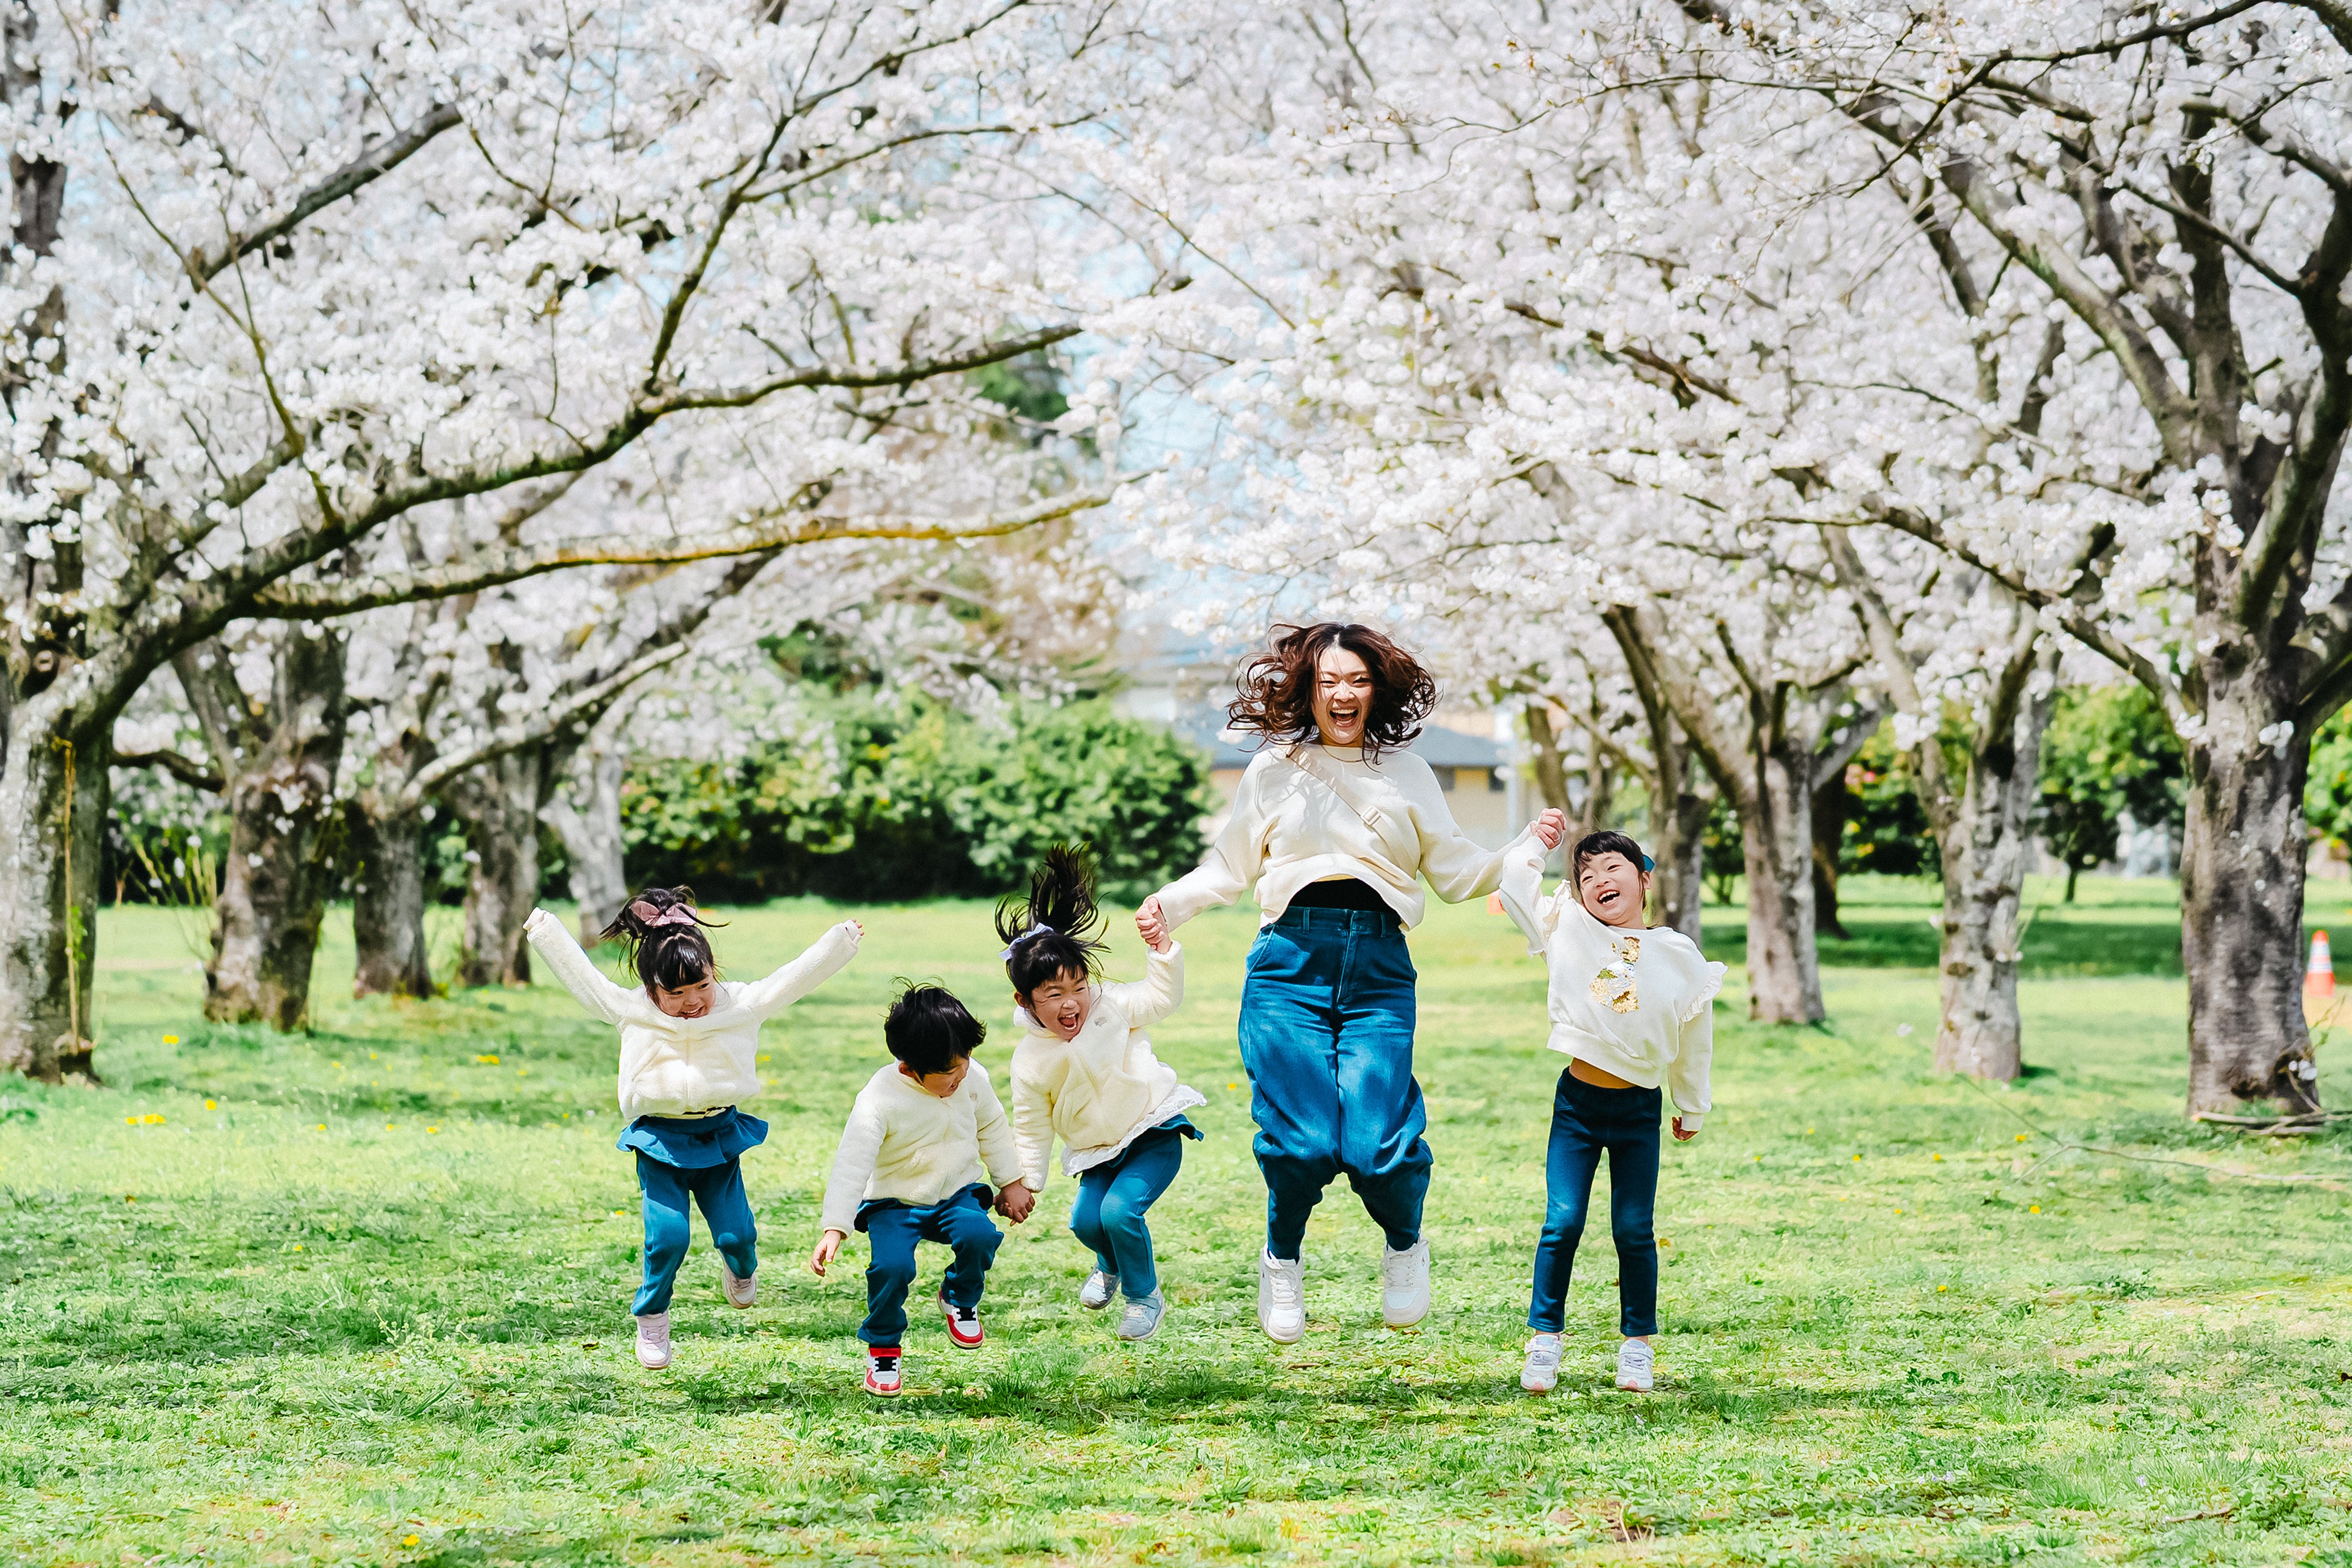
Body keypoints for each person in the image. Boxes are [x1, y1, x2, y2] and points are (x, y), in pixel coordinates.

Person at [1137, 622, 1566, 1342]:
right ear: (1308, 688)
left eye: (1358, 681)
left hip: (1379, 968)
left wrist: (1522, 849)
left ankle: (1405, 1242)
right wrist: (1168, 905)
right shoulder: (1274, 767)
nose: (1344, 693)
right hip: (1288, 967)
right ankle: (1282, 1256)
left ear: (1377, 690)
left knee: (1377, 1146)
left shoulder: (1409, 771)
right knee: (1301, 1144)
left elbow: (1458, 872)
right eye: (1330, 680)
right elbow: (1230, 868)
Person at [524, 888, 863, 1371]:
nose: (692, 1003)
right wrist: (545, 931)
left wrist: (841, 941)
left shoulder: (738, 1005)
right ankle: (653, 1314)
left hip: (718, 1136)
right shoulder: (632, 1011)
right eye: (675, 994)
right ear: (652, 990)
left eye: (700, 987)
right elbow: (585, 980)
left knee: (738, 1235)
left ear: (712, 974)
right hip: (659, 1141)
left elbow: (793, 978)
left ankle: (740, 1269)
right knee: (668, 1237)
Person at [1497, 829, 1719, 1396]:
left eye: (1612, 869)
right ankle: (1545, 1338)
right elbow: (1518, 890)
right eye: (1586, 876)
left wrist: (1691, 1105)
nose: (1599, 882)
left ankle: (1637, 1347)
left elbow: (1695, 1039)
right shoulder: (1569, 928)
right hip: (1578, 1104)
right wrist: (1534, 844)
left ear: (1644, 878)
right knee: (1562, 1221)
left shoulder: (1679, 957)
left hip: (1639, 1109)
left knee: (1633, 1229)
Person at [999, 844, 1201, 1343]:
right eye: (1053, 995)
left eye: (1079, 987)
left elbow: (1160, 998)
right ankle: (1109, 1264)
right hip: (1098, 1152)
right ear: (1026, 1001)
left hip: (1152, 1130)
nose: (1072, 1004)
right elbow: (1031, 1125)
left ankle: (1143, 1297)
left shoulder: (1112, 1006)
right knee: (1087, 1224)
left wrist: (1162, 955)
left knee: (1119, 1213)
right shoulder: (1029, 1061)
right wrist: (1025, 1182)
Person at [810, 984, 1035, 1397]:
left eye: (965, 1060)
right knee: (891, 1270)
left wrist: (1012, 1182)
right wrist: (835, 1227)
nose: (961, 1073)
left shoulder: (972, 1077)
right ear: (908, 1069)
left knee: (980, 1235)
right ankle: (883, 1348)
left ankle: (958, 1296)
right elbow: (852, 1163)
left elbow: (992, 1128)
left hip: (957, 1195)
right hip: (895, 1205)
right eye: (949, 1072)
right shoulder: (880, 1097)